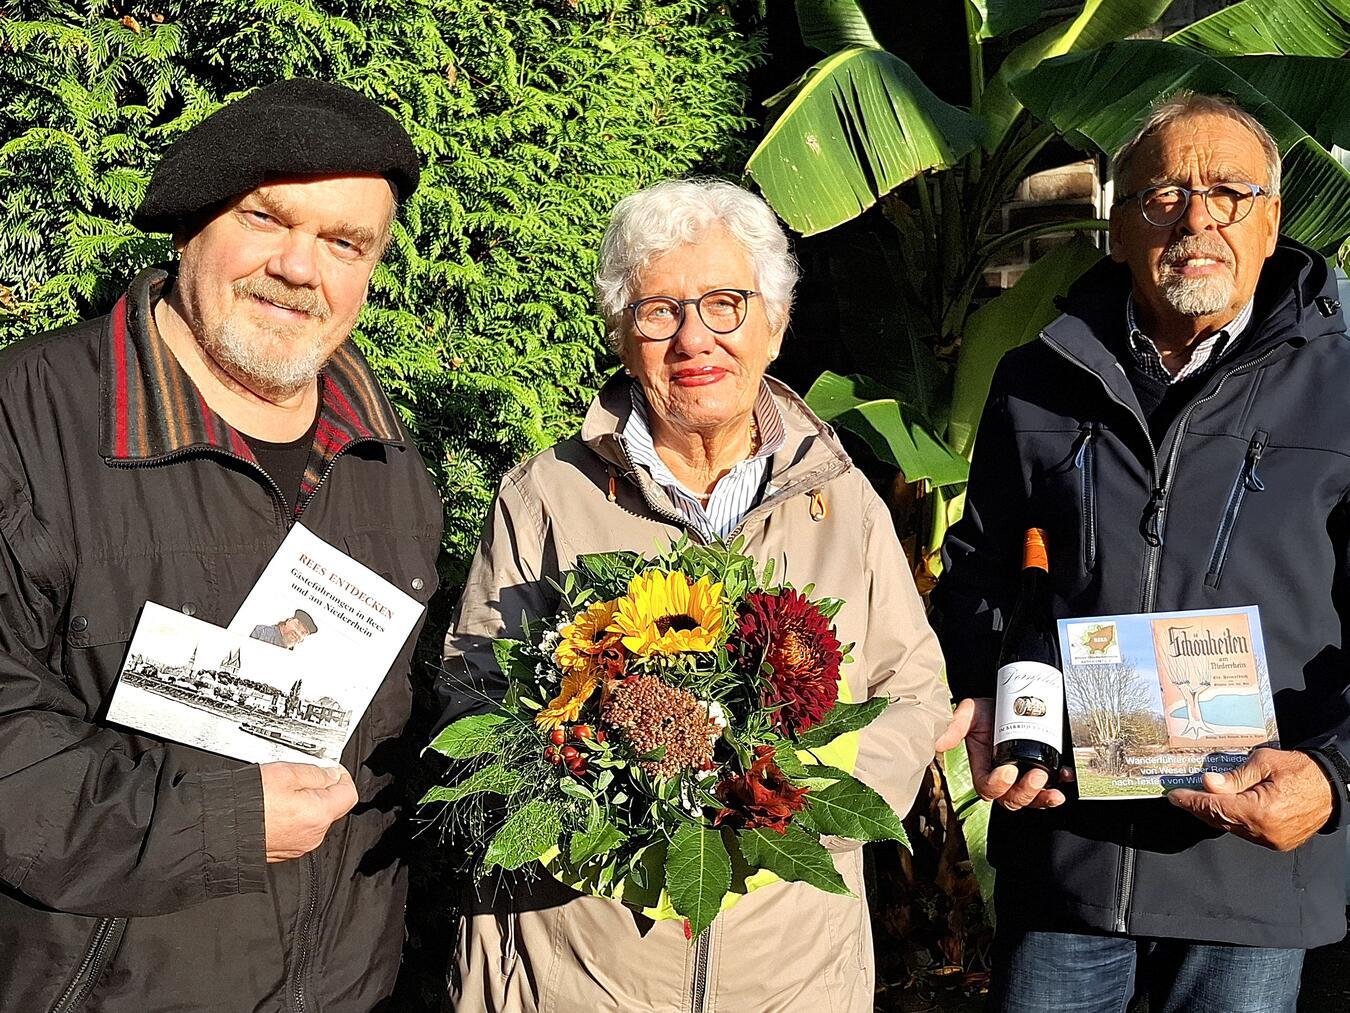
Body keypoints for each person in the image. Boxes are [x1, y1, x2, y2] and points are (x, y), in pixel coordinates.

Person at [442, 178, 951, 1011]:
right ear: (620, 333)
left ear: (776, 323)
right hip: (582, 975)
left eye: (726, 303)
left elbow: (914, 691)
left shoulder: (842, 498)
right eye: (659, 311)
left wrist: (805, 796)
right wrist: (602, 797)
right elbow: (472, 696)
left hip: (794, 977)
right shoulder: (546, 495)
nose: (694, 339)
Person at [0, 78, 443, 1011]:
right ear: (191, 222)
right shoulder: (27, 421)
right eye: (266, 218)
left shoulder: (387, 459)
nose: (298, 266)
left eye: (343, 242)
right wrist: (217, 822)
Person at [936, 91, 1350, 1012]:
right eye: (1162, 196)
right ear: (1118, 228)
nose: (1196, 219)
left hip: (1245, 867)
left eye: (1229, 193)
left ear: (1272, 220)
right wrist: (982, 693)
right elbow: (978, 570)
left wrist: (1335, 773)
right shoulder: (1039, 376)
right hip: (1067, 854)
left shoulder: (1341, 378)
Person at [252, 608, 320, 649]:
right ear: (288, 621)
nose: (298, 633)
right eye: (297, 626)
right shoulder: (261, 632)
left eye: (303, 633)